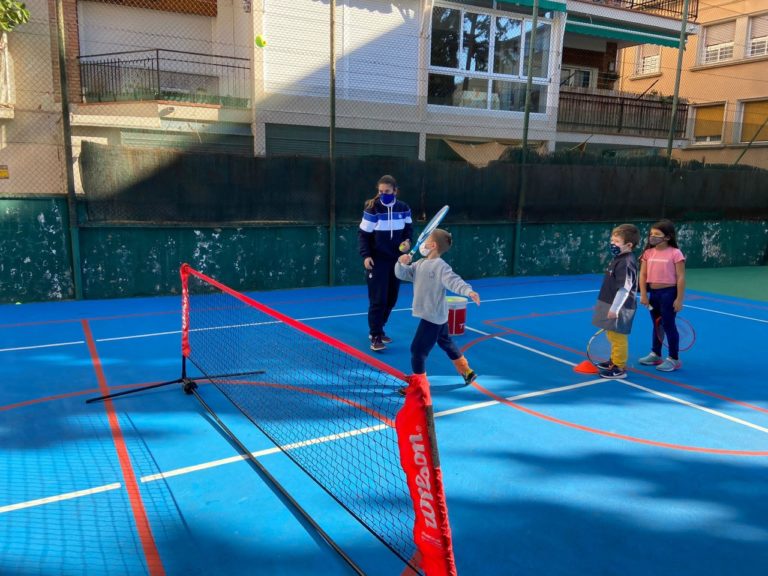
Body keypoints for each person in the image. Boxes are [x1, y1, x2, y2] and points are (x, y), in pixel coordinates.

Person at [395, 228, 480, 390]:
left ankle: (419, 387)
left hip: (432, 316)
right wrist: (401, 262)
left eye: (425, 239)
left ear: (432, 245)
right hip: (439, 315)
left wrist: (468, 291)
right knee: (446, 342)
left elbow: (454, 281)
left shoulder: (441, 267)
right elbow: (402, 274)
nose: (422, 243)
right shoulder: (419, 264)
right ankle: (467, 372)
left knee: (417, 350)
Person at [358, 175, 413, 352]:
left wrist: (408, 242)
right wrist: (366, 256)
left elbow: (408, 231)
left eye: (387, 192)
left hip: (396, 261)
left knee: (391, 299)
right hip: (377, 261)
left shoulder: (404, 208)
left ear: (395, 191)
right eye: (380, 192)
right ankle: (375, 335)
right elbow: (363, 235)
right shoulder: (372, 209)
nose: (383, 194)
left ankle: (379, 328)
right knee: (378, 300)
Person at [592, 223, 641, 379]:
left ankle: (619, 367)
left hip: (620, 307)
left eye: (616, 242)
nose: (612, 244)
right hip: (609, 303)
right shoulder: (618, 258)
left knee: (618, 337)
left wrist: (615, 309)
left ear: (628, 245)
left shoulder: (626, 262)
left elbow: (624, 289)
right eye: (612, 241)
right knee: (612, 335)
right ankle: (613, 361)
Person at [638, 219, 686, 372]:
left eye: (657, 234)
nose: (652, 237)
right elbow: (643, 274)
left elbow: (680, 277)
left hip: (669, 294)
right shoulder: (647, 253)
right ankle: (655, 354)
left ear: (667, 237)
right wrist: (644, 294)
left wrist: (679, 299)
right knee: (657, 325)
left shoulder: (675, 253)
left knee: (668, 325)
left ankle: (673, 359)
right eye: (651, 234)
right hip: (654, 294)